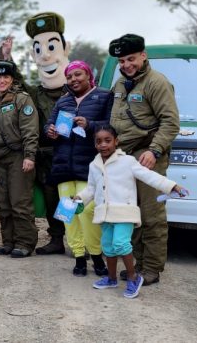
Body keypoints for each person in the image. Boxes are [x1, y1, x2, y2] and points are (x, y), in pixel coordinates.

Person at [75, 125, 186, 299]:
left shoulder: (127, 161)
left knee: (121, 244)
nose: (103, 145)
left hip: (124, 213)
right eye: (98, 141)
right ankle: (111, 278)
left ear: (116, 142)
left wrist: (172, 186)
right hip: (104, 214)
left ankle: (133, 278)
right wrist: (79, 199)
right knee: (108, 247)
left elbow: (149, 176)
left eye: (107, 140)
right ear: (94, 144)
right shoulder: (94, 165)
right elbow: (91, 188)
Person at [108, 34, 180, 285]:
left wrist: (155, 150)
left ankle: (151, 268)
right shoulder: (120, 84)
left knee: (151, 215)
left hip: (148, 155)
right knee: (130, 213)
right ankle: (135, 263)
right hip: (124, 157)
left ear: (143, 55)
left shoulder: (156, 83)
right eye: (121, 60)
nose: (126, 65)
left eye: (131, 59)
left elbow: (171, 123)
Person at [1, 12, 73, 256]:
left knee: (70, 196)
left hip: (69, 154)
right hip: (44, 155)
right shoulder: (37, 93)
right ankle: (56, 238)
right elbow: (18, 81)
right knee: (50, 197)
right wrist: (8, 57)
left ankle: (76, 239)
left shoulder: (74, 92)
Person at [45, 60, 113, 276]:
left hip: (89, 167)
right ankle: (78, 257)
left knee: (86, 213)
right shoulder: (63, 101)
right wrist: (51, 131)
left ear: (88, 75)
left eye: (77, 75)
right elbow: (48, 124)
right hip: (64, 167)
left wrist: (90, 125)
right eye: (69, 77)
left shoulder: (103, 96)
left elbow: (112, 126)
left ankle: (95, 256)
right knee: (68, 213)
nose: (73, 80)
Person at [0, 60, 39, 258]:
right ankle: (8, 241)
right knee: (4, 203)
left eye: (5, 77)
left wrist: (29, 156)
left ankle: (25, 242)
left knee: (20, 202)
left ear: (12, 78)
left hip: (18, 156)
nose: (1, 80)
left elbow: (30, 130)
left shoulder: (21, 100)